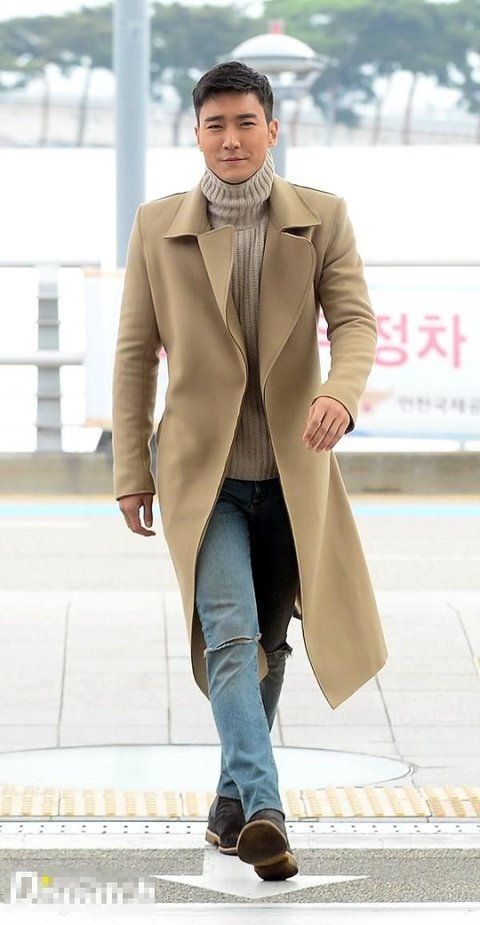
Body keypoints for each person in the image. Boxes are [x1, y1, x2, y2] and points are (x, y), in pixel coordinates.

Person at [112, 60, 388, 882]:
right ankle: (267, 807)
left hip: (294, 474)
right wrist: (131, 468)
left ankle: (230, 804)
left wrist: (340, 393)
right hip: (202, 478)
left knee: (267, 642)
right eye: (215, 125)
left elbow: (355, 322)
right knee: (229, 633)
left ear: (272, 129)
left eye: (244, 123)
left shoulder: (322, 218)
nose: (230, 139)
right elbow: (134, 354)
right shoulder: (157, 226)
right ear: (196, 134)